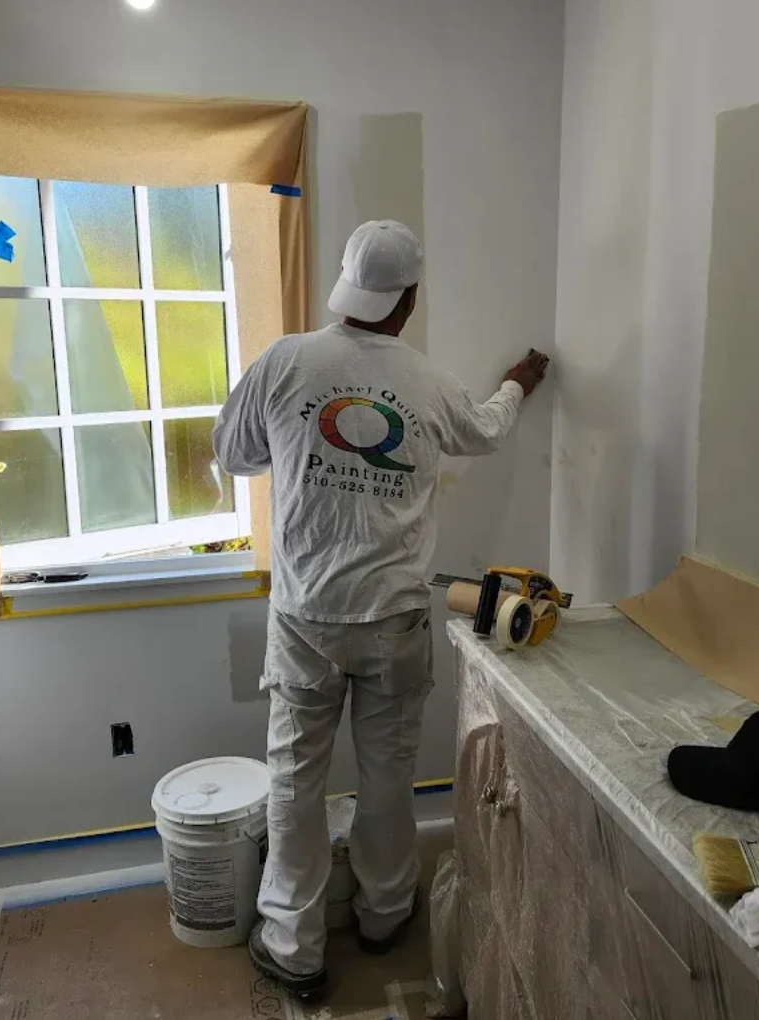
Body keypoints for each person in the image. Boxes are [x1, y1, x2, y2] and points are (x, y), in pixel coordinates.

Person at [212, 220, 549, 997]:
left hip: (306, 618)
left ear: (346, 283)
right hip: (394, 619)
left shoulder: (287, 360)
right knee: (389, 774)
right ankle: (385, 913)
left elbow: (234, 453)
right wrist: (517, 383)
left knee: (294, 778)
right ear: (411, 298)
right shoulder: (428, 383)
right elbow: (488, 431)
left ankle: (294, 947)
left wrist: (299, 453)